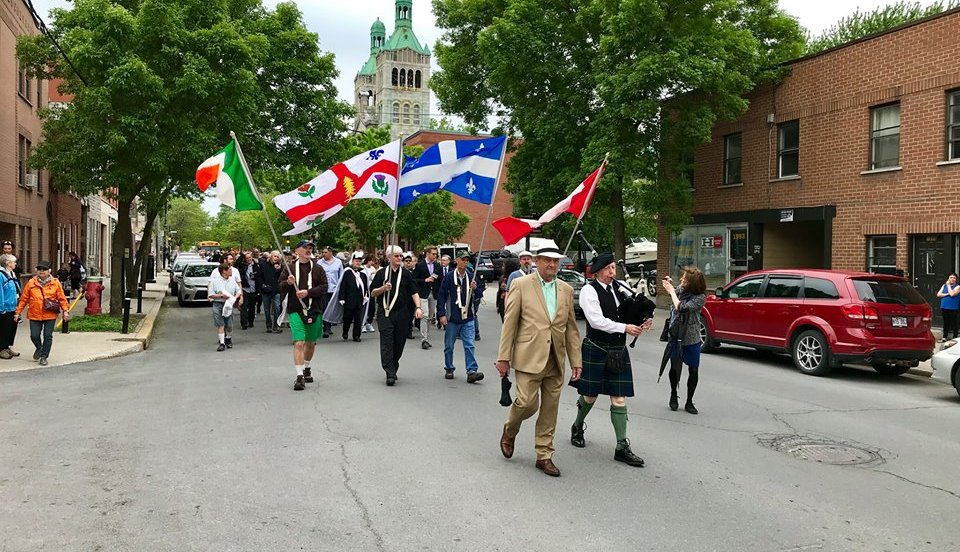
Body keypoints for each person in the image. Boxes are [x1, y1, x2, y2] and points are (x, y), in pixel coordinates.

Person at [496, 247, 582, 477]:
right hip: (529, 355)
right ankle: (510, 430)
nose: (552, 265)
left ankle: (544, 454)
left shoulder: (565, 289)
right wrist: (503, 357)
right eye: (547, 261)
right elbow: (510, 323)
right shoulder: (521, 285)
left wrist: (576, 361)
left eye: (555, 261)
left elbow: (571, 329)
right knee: (526, 403)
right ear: (537, 261)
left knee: (550, 409)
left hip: (555, 357)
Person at [569, 254, 651, 467]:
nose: (612, 272)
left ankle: (621, 446)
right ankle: (577, 426)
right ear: (597, 272)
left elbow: (633, 309)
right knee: (590, 396)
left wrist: (645, 318)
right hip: (596, 348)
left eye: (614, 268)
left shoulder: (621, 287)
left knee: (619, 398)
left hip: (617, 350)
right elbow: (596, 321)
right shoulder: (589, 291)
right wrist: (625, 328)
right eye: (608, 269)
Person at [370, 245, 423, 386]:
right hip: (385, 312)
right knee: (387, 343)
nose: (400, 258)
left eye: (401, 256)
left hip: (402, 313)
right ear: (389, 257)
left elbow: (414, 292)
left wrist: (418, 307)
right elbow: (372, 293)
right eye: (396, 256)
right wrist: (383, 288)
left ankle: (393, 365)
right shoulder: (381, 273)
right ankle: (390, 372)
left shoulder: (406, 274)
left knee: (399, 343)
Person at [280, 240, 328, 391]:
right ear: (297, 251)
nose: (308, 250)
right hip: (296, 310)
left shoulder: (318, 268)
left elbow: (324, 287)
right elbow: (280, 286)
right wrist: (288, 283)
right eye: (305, 247)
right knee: (299, 342)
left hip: (314, 309)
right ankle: (299, 376)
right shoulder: (290, 268)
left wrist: (308, 292)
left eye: (310, 248)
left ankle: (306, 367)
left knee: (310, 343)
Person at [662, 267, 708, 415]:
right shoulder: (682, 289)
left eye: (685, 278)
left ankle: (689, 401)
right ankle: (673, 394)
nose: (681, 279)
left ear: (692, 283)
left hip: (691, 337)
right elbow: (674, 293)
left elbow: (681, 308)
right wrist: (669, 286)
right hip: (676, 334)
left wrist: (671, 292)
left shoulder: (700, 297)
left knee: (693, 369)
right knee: (674, 367)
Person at [437, 251, 484, 383]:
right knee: (449, 346)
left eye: (467, 260)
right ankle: (449, 367)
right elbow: (441, 296)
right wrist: (441, 314)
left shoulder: (471, 276)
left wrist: (475, 288)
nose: (465, 262)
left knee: (469, 344)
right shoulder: (449, 277)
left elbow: (479, 295)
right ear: (457, 260)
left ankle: (471, 371)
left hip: (468, 317)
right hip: (453, 317)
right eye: (463, 259)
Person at [14, 261, 70, 366]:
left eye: (44, 269)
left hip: (50, 314)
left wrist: (65, 311)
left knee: (47, 336)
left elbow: (62, 298)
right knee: (34, 335)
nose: (42, 271)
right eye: (39, 269)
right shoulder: (31, 283)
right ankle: (39, 348)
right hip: (34, 313)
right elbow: (23, 299)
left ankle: (44, 357)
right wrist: (18, 312)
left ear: (49, 271)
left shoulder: (55, 283)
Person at [326, 251, 369, 342]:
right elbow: (343, 285)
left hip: (359, 300)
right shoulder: (347, 272)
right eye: (356, 261)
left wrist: (366, 296)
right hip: (349, 300)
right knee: (347, 318)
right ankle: (345, 331)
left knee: (358, 319)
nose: (358, 263)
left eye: (359, 261)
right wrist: (341, 298)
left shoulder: (363, 274)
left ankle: (356, 336)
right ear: (352, 261)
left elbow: (365, 287)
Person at [413, 246, 442, 350]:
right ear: (428, 254)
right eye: (433, 254)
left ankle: (426, 337)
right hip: (423, 293)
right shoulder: (420, 265)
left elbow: (441, 280)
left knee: (430, 316)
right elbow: (414, 279)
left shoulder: (437, 265)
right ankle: (424, 339)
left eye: (436, 254)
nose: (435, 256)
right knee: (424, 316)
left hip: (434, 293)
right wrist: (425, 280)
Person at [208, 262, 242, 351]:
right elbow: (210, 295)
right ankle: (222, 343)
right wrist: (221, 296)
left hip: (229, 304)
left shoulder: (232, 281)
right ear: (224, 271)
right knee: (221, 324)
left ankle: (228, 338)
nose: (231, 271)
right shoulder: (215, 281)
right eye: (229, 270)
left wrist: (235, 297)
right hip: (218, 304)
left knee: (229, 324)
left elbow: (238, 291)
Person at [317, 246, 343, 339]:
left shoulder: (338, 262)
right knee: (325, 308)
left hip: (334, 289)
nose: (323, 254)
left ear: (330, 253)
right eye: (323, 252)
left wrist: (341, 288)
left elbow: (341, 275)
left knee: (332, 308)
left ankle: (330, 325)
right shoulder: (319, 263)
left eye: (325, 252)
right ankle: (326, 328)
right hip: (324, 289)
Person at [0, 254, 21, 359]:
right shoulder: (1, 275)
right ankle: (1, 349)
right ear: (8, 263)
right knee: (4, 329)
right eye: (14, 262)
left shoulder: (12, 273)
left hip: (13, 306)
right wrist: (1, 307)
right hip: (5, 308)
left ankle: (7, 346)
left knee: (12, 328)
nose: (15, 263)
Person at [259, 251, 284, 333]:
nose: (276, 258)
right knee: (267, 309)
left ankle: (276, 325)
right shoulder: (263, 265)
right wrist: (263, 285)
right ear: (271, 257)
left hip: (276, 290)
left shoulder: (280, 266)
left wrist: (279, 270)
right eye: (275, 256)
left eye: (277, 257)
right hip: (266, 289)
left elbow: (283, 278)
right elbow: (259, 277)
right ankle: (269, 325)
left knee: (277, 307)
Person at [237, 251, 261, 330]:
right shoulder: (242, 266)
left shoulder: (256, 265)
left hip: (253, 288)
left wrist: (255, 276)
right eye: (247, 258)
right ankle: (244, 323)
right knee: (244, 306)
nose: (248, 259)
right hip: (245, 288)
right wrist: (243, 255)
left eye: (250, 257)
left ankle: (251, 321)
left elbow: (260, 276)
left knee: (252, 306)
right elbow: (237, 263)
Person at [937, 272, 960, 341]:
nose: (952, 279)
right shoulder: (944, 285)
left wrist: (949, 286)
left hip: (953, 307)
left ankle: (955, 338)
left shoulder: (958, 287)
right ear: (948, 279)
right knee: (946, 323)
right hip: (944, 306)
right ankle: (944, 337)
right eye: (951, 277)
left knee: (954, 323)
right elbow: (938, 294)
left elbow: (952, 294)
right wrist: (947, 294)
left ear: (956, 279)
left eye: (954, 278)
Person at [362, 255, 379, 333]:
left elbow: (374, 279)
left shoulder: (373, 268)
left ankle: (369, 322)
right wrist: (371, 273)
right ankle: (363, 324)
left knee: (372, 307)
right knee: (365, 307)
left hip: (371, 290)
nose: (373, 263)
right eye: (371, 261)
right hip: (364, 291)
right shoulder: (362, 268)